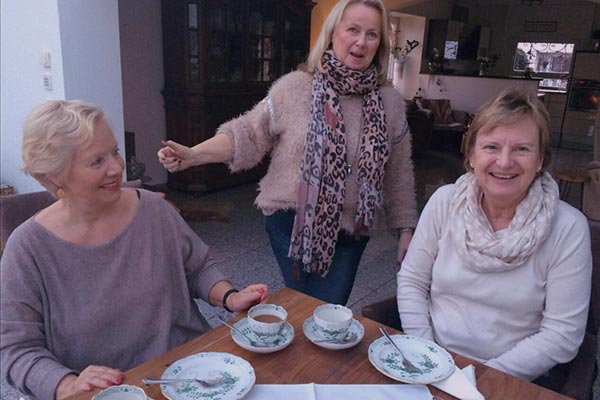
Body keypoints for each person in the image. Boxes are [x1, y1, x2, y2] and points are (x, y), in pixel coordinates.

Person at [0, 100, 269, 400]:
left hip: (191, 374)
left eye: (114, 152)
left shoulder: (153, 208)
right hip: (110, 393)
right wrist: (67, 384)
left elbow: (198, 267)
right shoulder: (27, 250)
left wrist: (230, 297)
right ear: (54, 175)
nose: (117, 167)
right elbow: (16, 349)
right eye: (96, 161)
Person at [158, 0, 417, 305]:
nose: (361, 41)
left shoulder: (390, 103)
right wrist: (193, 154)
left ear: (380, 44)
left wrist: (406, 228)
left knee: (324, 308)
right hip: (289, 221)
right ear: (333, 34)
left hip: (351, 231)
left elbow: (399, 171)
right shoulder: (294, 88)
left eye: (372, 34)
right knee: (309, 308)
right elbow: (249, 132)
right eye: (353, 30)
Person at [397, 88, 592, 381]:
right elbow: (412, 280)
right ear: (472, 154)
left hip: (512, 378)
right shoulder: (445, 202)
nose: (504, 162)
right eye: (491, 147)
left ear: (541, 160)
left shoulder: (568, 228)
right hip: (430, 361)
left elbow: (562, 334)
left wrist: (481, 378)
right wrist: (428, 356)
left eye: (522, 149)